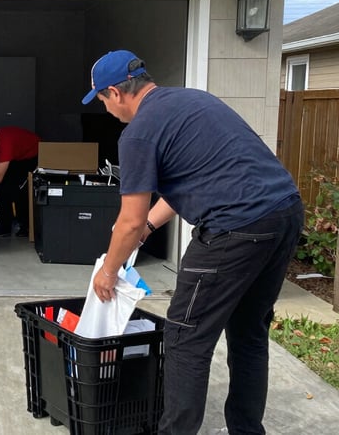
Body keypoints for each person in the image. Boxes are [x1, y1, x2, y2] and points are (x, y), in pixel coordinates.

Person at [82, 50, 303, 435]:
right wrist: (152, 225)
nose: (105, 109)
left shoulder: (137, 133)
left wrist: (108, 271)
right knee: (249, 333)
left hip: (233, 228)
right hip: (283, 212)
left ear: (116, 93)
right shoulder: (193, 100)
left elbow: (128, 222)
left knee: (185, 339)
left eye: (102, 100)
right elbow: (194, 176)